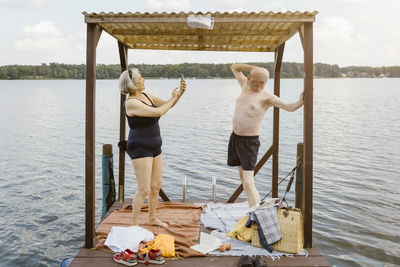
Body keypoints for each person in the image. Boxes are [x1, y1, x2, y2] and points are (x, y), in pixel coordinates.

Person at [228, 63, 304, 209]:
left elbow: (289, 107)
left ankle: (258, 213)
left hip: (249, 142)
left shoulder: (267, 97)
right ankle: (252, 209)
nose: (248, 77)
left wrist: (301, 101)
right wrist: (254, 68)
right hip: (235, 138)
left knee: (249, 181)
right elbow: (234, 67)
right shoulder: (245, 85)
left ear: (261, 82)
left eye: (252, 76)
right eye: (249, 74)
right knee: (243, 179)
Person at [119, 68, 186, 227]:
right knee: (144, 189)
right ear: (133, 84)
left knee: (156, 186)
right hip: (140, 148)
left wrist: (179, 94)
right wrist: (173, 97)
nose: (143, 80)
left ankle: (152, 218)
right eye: (140, 78)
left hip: (156, 146)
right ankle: (134, 225)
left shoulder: (146, 96)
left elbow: (167, 106)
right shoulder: (131, 103)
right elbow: (159, 112)